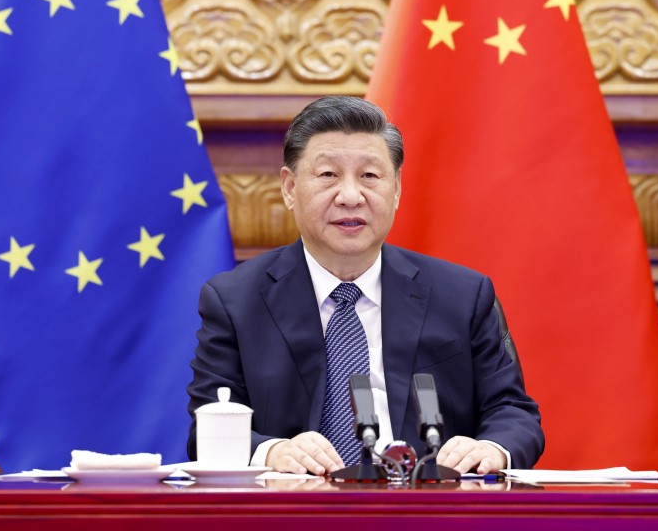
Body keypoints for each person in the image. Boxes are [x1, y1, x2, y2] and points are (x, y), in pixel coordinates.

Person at [187, 96, 544, 475]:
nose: (351, 197)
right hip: (295, 512)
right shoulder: (235, 301)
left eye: (370, 176)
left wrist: (490, 449)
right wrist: (272, 451)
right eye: (328, 176)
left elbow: (513, 412)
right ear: (290, 189)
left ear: (397, 189)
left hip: (427, 513)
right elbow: (207, 429)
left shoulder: (462, 295)